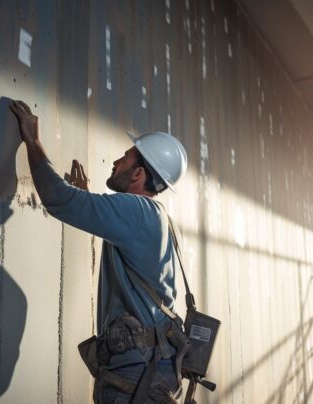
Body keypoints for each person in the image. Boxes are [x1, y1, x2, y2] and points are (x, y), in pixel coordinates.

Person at [10, 100, 189, 403]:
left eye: (125, 158)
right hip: (155, 367)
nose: (116, 162)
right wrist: (88, 201)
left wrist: (33, 141)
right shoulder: (159, 219)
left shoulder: (136, 211)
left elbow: (58, 198)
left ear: (138, 174)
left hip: (135, 373)